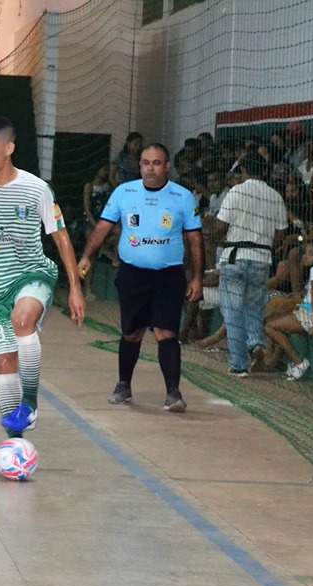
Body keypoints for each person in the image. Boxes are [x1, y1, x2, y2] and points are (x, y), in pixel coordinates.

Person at [0, 116, 85, 438]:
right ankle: (15, 440)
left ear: (9, 147)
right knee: (4, 363)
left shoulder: (36, 188)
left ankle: (30, 404)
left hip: (33, 275)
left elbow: (60, 236)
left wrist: (75, 288)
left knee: (22, 320)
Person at [78, 143, 205, 413]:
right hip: (133, 275)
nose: (150, 168)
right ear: (139, 165)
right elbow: (103, 227)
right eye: (146, 163)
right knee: (132, 333)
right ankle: (124, 384)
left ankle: (173, 393)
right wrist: (87, 256)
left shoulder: (183, 197)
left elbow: (195, 239)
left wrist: (197, 278)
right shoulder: (124, 192)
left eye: (157, 163)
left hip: (169, 276)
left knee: (166, 333)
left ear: (167, 166)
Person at [213, 156, 288, 376]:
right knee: (254, 308)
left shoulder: (236, 191)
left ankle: (239, 364)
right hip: (262, 259)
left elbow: (220, 226)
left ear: (243, 170)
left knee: (232, 312)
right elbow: (281, 233)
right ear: (265, 172)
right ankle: (256, 343)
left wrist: (215, 236)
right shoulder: (275, 195)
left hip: (235, 255)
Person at [264, 242, 313, 381]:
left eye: (311, 253)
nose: (305, 256)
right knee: (278, 315)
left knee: (269, 326)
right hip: (309, 311)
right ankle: (280, 360)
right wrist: (300, 298)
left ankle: (298, 362)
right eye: (305, 253)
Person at [81, 164, 111, 299]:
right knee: (90, 257)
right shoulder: (89, 186)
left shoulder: (108, 186)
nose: (106, 172)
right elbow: (87, 207)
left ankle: (108, 251)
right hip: (90, 221)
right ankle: (87, 288)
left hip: (104, 222)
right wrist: (94, 224)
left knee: (118, 233)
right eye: (104, 169)